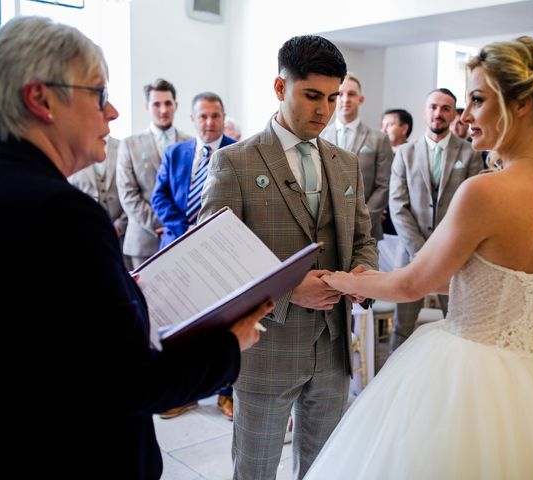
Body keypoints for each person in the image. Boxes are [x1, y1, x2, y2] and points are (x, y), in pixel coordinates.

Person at [304, 36, 533, 478]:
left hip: (469, 366)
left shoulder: (485, 190)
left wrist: (347, 281)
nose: (465, 118)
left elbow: (411, 285)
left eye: (478, 101)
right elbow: (495, 279)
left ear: (519, 105)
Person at [0, 16, 273, 479]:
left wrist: (116, 294)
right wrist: (230, 343)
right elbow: (132, 380)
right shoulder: (66, 215)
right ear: (41, 98)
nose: (112, 114)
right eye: (99, 94)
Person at [198, 35, 378, 480]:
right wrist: (288, 290)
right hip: (266, 349)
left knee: (322, 468)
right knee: (255, 471)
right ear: (281, 88)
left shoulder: (346, 163)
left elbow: (362, 237)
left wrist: (363, 273)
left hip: (333, 349)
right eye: (312, 95)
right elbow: (214, 259)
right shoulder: (233, 163)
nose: (324, 110)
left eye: (334, 98)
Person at [151, 91, 236, 419]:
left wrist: (212, 232)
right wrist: (184, 231)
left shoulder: (239, 151)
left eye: (215, 116)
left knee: (224, 324)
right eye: (203, 116)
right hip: (177, 249)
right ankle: (184, 393)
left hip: (222, 252)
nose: (210, 123)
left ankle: (226, 393)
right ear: (193, 119)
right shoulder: (176, 153)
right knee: (180, 326)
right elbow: (159, 197)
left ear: (223, 116)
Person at [389, 88, 483, 351]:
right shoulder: (405, 154)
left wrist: (443, 251)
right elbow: (397, 205)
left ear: (454, 114)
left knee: (458, 325)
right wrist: (421, 251)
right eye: (433, 107)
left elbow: (473, 208)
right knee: (402, 327)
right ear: (424, 110)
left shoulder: (470, 154)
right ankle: (396, 385)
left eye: (445, 108)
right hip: (411, 256)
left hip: (455, 257)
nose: (438, 113)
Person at [117, 78, 191, 269]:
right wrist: (162, 223)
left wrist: (179, 227)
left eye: (168, 103)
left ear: (176, 105)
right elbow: (128, 194)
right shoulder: (129, 144)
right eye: (156, 104)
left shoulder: (191, 143)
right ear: (147, 106)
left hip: (184, 238)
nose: (163, 110)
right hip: (144, 241)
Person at [321, 72, 392, 241]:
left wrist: (363, 219)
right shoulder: (320, 136)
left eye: (351, 94)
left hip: (367, 229)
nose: (345, 99)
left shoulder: (379, 139)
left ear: (361, 99)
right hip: (327, 228)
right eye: (340, 94)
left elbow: (384, 185)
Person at [68, 134, 132, 269]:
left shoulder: (124, 147)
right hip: (86, 234)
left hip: (124, 237)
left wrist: (120, 224)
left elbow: (133, 190)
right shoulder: (72, 151)